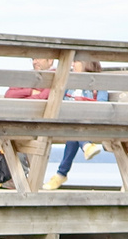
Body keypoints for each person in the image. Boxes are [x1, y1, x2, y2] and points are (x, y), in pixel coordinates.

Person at [45, 60, 106, 189]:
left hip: (87, 123)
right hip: (67, 122)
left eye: (76, 61)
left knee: (73, 135)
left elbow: (102, 104)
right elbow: (58, 100)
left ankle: (61, 174)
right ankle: (86, 145)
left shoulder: (98, 84)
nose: (72, 64)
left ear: (86, 63)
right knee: (74, 130)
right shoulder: (69, 83)